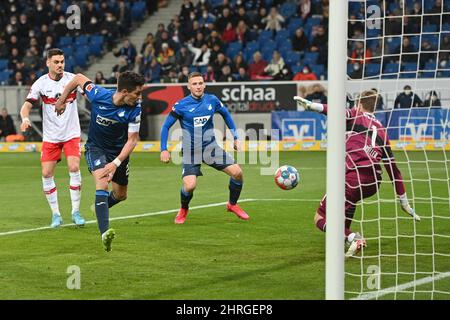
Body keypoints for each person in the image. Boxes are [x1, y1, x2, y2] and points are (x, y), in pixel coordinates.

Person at [294, 90, 420, 257]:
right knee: (349, 203)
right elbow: (394, 170)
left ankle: (353, 237)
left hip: (353, 177)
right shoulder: (382, 130)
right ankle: (347, 241)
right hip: (374, 182)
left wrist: (311, 106)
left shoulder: (355, 115)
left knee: (320, 217)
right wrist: (403, 201)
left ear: (360, 105)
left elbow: (334, 110)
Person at [54, 71, 144, 252]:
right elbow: (79, 78)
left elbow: (132, 140)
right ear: (125, 91)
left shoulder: (135, 108)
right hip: (96, 149)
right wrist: (62, 99)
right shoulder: (98, 94)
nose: (140, 97)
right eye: (137, 93)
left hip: (119, 154)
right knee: (102, 183)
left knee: (120, 195)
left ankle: (100, 207)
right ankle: (104, 233)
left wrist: (116, 163)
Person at [160, 72, 249, 224]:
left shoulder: (212, 100)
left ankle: (232, 204)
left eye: (200, 83)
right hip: (190, 151)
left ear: (204, 85)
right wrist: (164, 149)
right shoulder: (181, 105)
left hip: (211, 147)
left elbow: (226, 116)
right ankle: (183, 208)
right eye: (194, 84)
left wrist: (235, 137)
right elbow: (166, 126)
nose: (198, 86)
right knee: (190, 186)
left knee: (238, 173)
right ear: (189, 86)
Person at [19, 48, 85, 228]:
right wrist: (25, 118)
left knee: (73, 167)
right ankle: (56, 214)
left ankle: (75, 212)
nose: (60, 65)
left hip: (71, 133)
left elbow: (88, 93)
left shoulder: (72, 79)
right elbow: (25, 107)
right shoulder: (40, 83)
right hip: (51, 136)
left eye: (62, 61)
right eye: (56, 62)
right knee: (47, 173)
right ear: (48, 63)